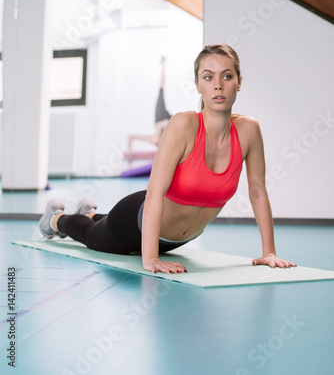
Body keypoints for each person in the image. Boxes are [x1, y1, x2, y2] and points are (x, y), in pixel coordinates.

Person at [39, 44, 296, 274]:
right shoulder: (183, 124)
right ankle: (55, 219)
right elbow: (154, 193)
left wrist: (269, 252)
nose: (218, 85)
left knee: (97, 224)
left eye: (227, 76)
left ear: (239, 81)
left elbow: (258, 192)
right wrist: (150, 257)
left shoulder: (249, 130)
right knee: (91, 236)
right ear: (197, 84)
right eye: (208, 77)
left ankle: (91, 212)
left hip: (177, 240)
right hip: (136, 221)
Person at [127, 56, 172, 155]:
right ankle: (163, 64)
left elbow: (131, 137)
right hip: (167, 121)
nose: (157, 144)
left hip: (160, 117)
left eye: (158, 144)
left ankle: (163, 65)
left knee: (161, 88)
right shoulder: (167, 140)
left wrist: (129, 150)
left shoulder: (154, 139)